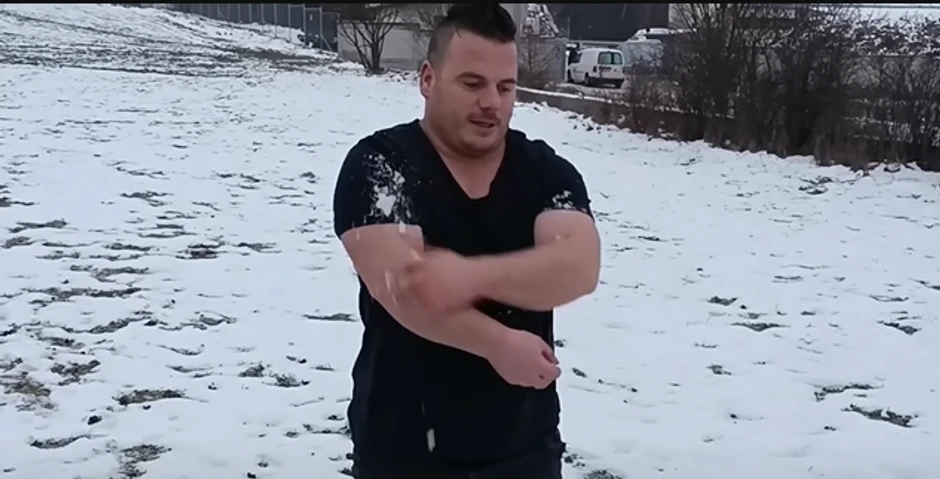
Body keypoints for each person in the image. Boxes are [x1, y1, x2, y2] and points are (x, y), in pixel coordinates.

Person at [332, 4, 601, 478]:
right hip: (401, 448)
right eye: (472, 84)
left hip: (524, 451)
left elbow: (577, 267)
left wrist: (467, 276)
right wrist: (497, 342)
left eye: (505, 87)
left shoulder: (544, 171)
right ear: (428, 79)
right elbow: (403, 288)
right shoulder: (380, 165)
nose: (491, 103)